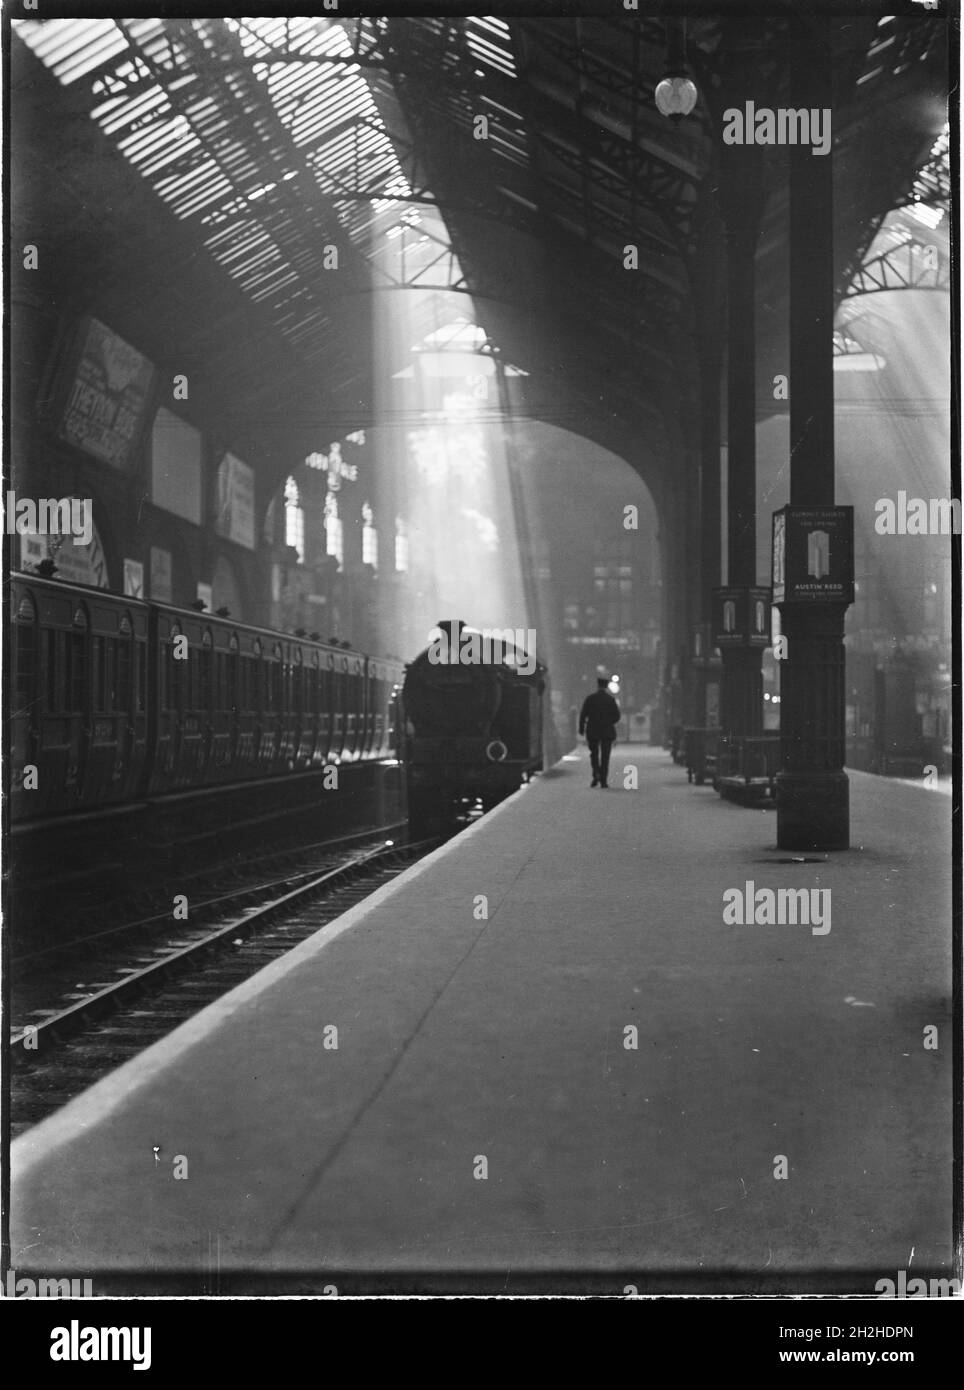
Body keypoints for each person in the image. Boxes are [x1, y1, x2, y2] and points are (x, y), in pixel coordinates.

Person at [578, 675, 621, 788]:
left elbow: (583, 715)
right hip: (607, 731)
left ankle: (596, 773)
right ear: (606, 686)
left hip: (593, 730)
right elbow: (617, 716)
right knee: (605, 756)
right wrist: (608, 722)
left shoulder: (590, 699)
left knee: (594, 754)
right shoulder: (610, 700)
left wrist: (581, 728)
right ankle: (603, 780)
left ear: (597, 686)